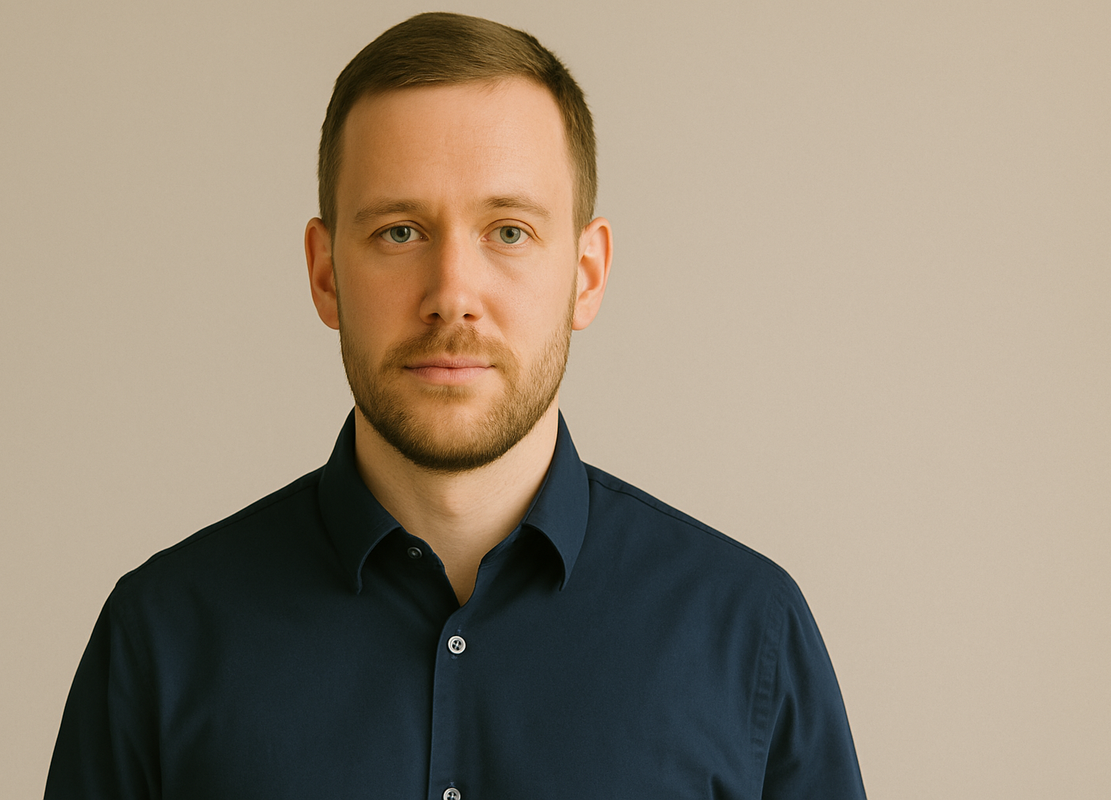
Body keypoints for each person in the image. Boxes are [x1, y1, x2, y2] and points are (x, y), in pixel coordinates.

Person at [45, 12, 866, 799]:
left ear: (586, 274)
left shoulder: (747, 633)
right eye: (400, 232)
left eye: (508, 231)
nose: (451, 296)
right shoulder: (159, 639)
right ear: (326, 272)